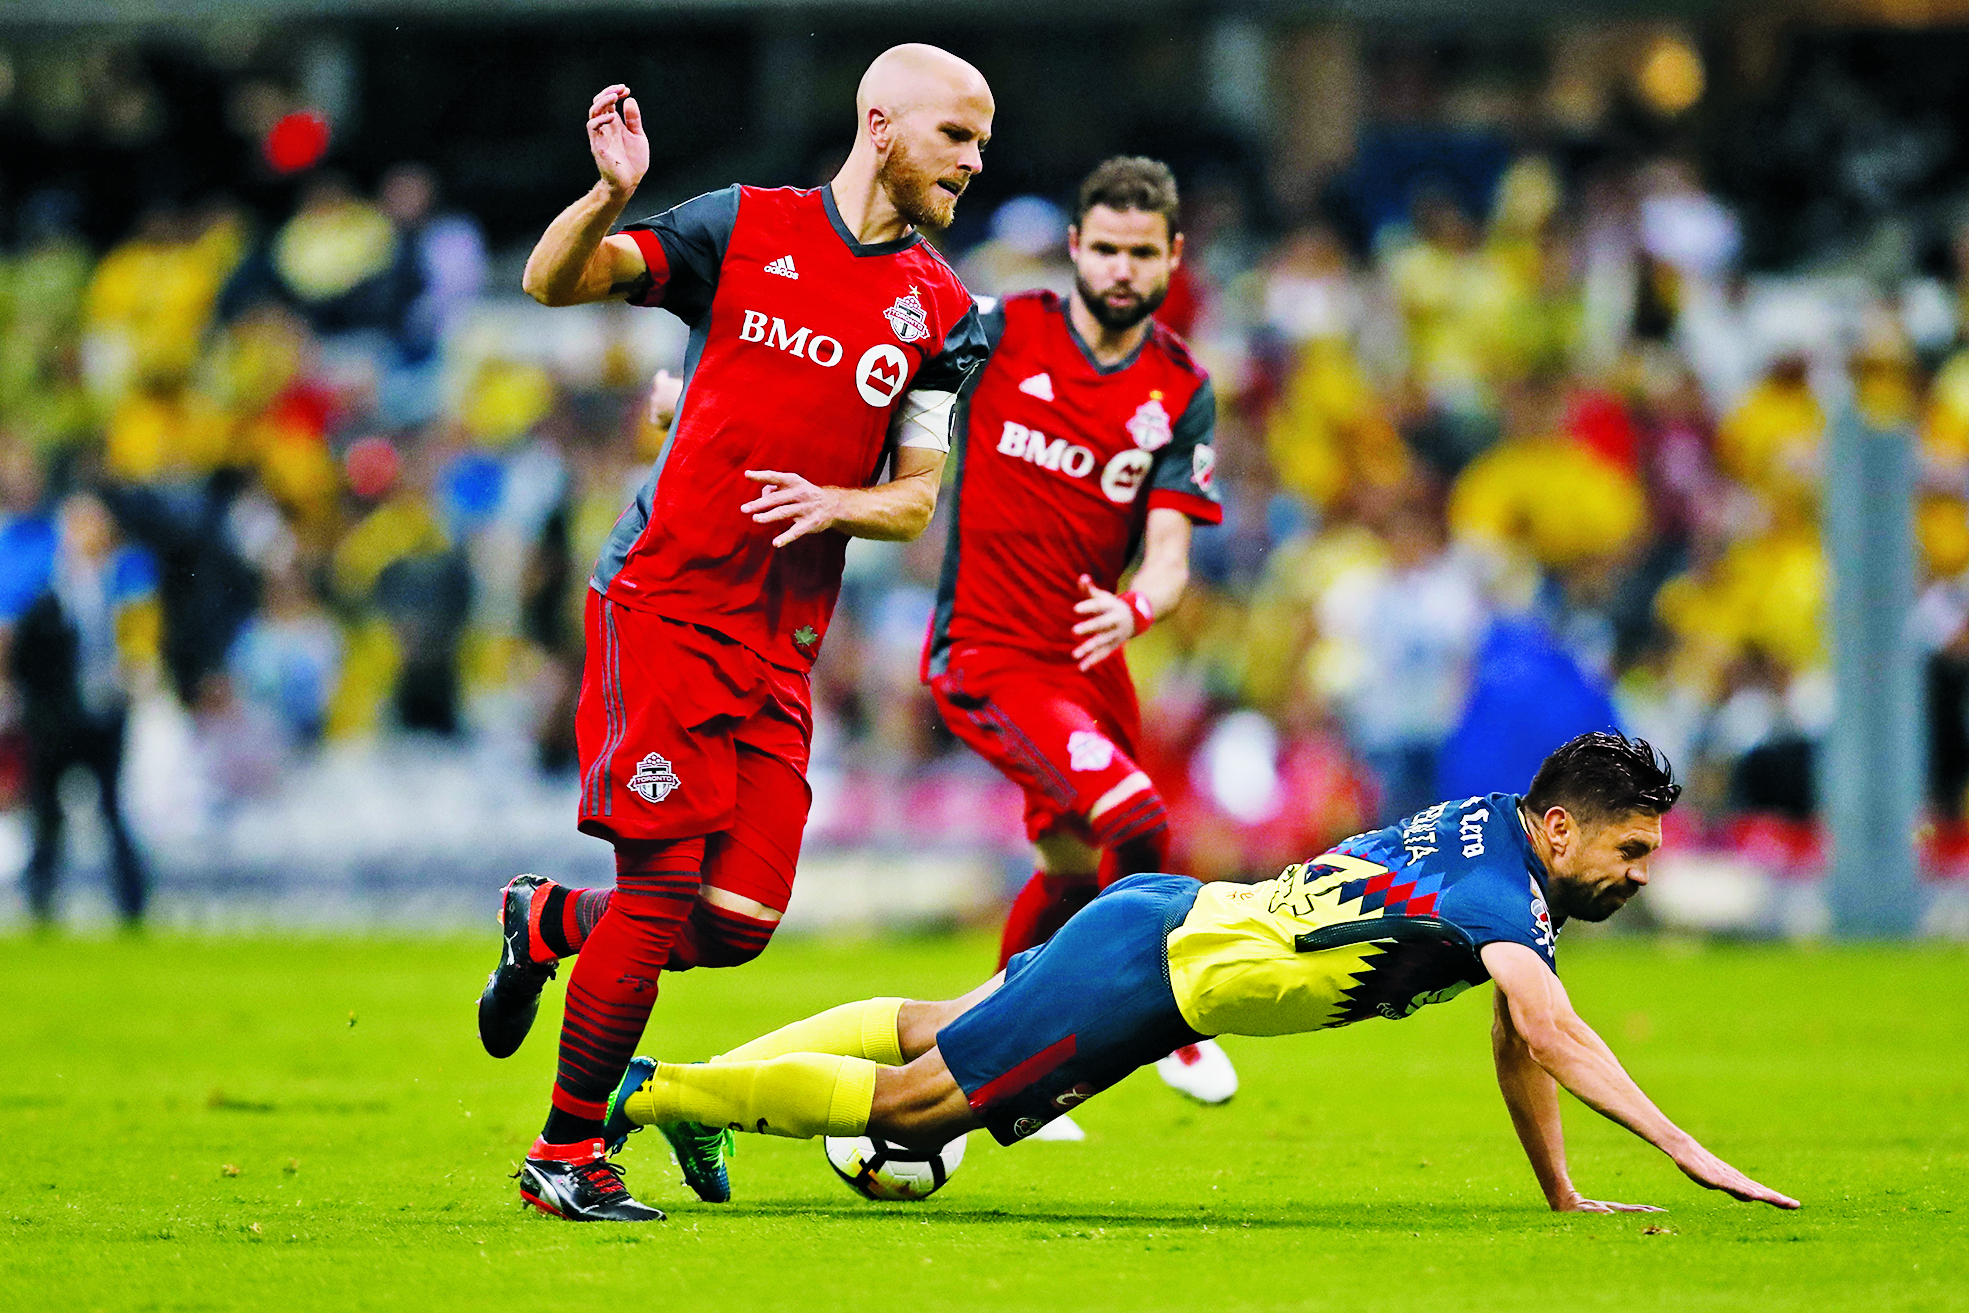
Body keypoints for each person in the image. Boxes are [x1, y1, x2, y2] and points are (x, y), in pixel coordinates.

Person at [474, 44, 995, 1223]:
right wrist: (606, 199)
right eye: (956, 135)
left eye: (979, 141)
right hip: (664, 601)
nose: (972, 160)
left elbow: (916, 496)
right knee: (658, 893)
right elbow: (555, 283)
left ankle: (543, 918)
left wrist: (838, 503)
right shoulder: (740, 227)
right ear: (882, 122)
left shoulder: (948, 315)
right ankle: (566, 1153)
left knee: (740, 922)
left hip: (780, 642)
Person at [604, 733, 1800, 1215]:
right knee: (919, 1102)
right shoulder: (1501, 890)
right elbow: (1550, 1028)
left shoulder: (1496, 830)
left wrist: (1560, 1191)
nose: (1642, 872)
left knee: (934, 1020)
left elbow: (1512, 1032)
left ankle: (701, 1099)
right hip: (1154, 971)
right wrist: (1684, 1148)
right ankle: (644, 1089)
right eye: (1630, 847)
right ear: (1558, 831)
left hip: (1169, 914)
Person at [921, 156, 1234, 1127]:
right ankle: (1166, 1022)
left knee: (1067, 869)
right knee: (1136, 819)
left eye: (1141, 252)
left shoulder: (1179, 387)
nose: (1121, 269)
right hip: (985, 649)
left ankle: (1008, 1065)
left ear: (1170, 257)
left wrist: (1135, 610)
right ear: (1074, 249)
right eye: (1104, 248)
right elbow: (879, 382)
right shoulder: (1003, 331)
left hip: (1087, 663)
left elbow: (1171, 558)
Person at [7, 491, 155, 925]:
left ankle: (131, 902)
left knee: (112, 809)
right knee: (46, 811)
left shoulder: (125, 579)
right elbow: (24, 652)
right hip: (53, 717)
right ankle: (40, 900)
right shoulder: (46, 586)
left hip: (105, 712)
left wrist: (133, 675)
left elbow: (140, 639)